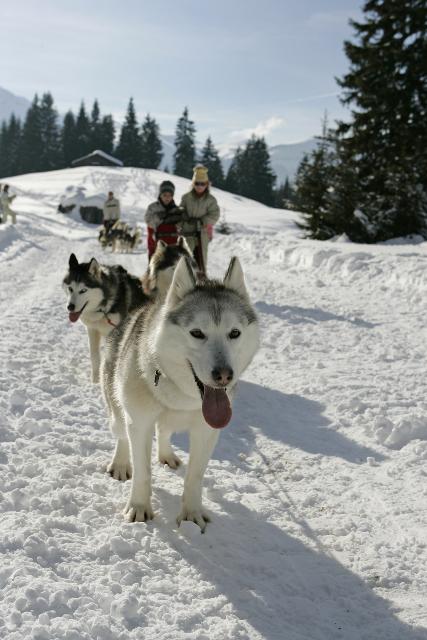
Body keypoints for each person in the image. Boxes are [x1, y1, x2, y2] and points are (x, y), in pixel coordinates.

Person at [179, 165, 220, 273]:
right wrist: (183, 215)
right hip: (187, 233)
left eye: (202, 184)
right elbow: (180, 211)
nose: (199, 186)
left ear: (207, 184)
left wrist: (202, 221)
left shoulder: (211, 200)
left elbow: (215, 215)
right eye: (197, 183)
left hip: (202, 234)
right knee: (185, 258)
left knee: (201, 261)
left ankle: (201, 282)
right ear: (193, 184)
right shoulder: (186, 197)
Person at [144, 180, 183, 260]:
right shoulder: (153, 207)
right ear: (160, 195)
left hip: (172, 245)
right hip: (156, 245)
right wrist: (160, 217)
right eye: (164, 195)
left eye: (169, 195)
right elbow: (148, 221)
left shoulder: (176, 210)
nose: (167, 198)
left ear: (172, 196)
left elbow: (181, 228)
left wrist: (178, 222)